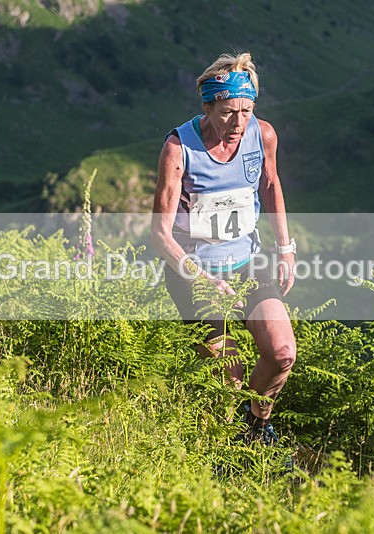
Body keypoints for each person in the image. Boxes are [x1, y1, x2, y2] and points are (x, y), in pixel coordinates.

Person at [151, 52, 297, 445]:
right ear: (208, 106)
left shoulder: (262, 134)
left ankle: (256, 430)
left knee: (282, 352)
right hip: (193, 273)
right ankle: (225, 454)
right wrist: (201, 280)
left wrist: (286, 249)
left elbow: (269, 185)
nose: (238, 123)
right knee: (228, 381)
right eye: (228, 112)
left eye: (246, 111)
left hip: (247, 263)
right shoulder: (178, 149)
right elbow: (160, 234)